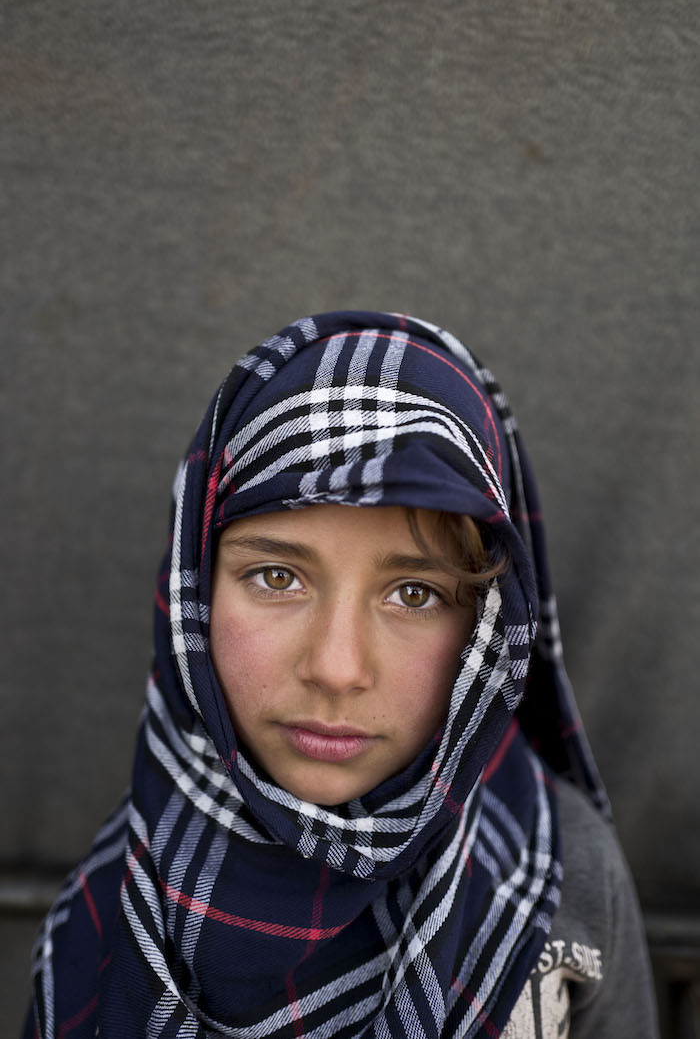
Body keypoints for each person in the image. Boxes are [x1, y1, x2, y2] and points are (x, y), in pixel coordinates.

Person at [24, 311, 659, 1037]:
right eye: (275, 576)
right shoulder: (114, 908)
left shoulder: (566, 874)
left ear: (488, 623)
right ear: (194, 592)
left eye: (415, 594)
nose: (335, 667)